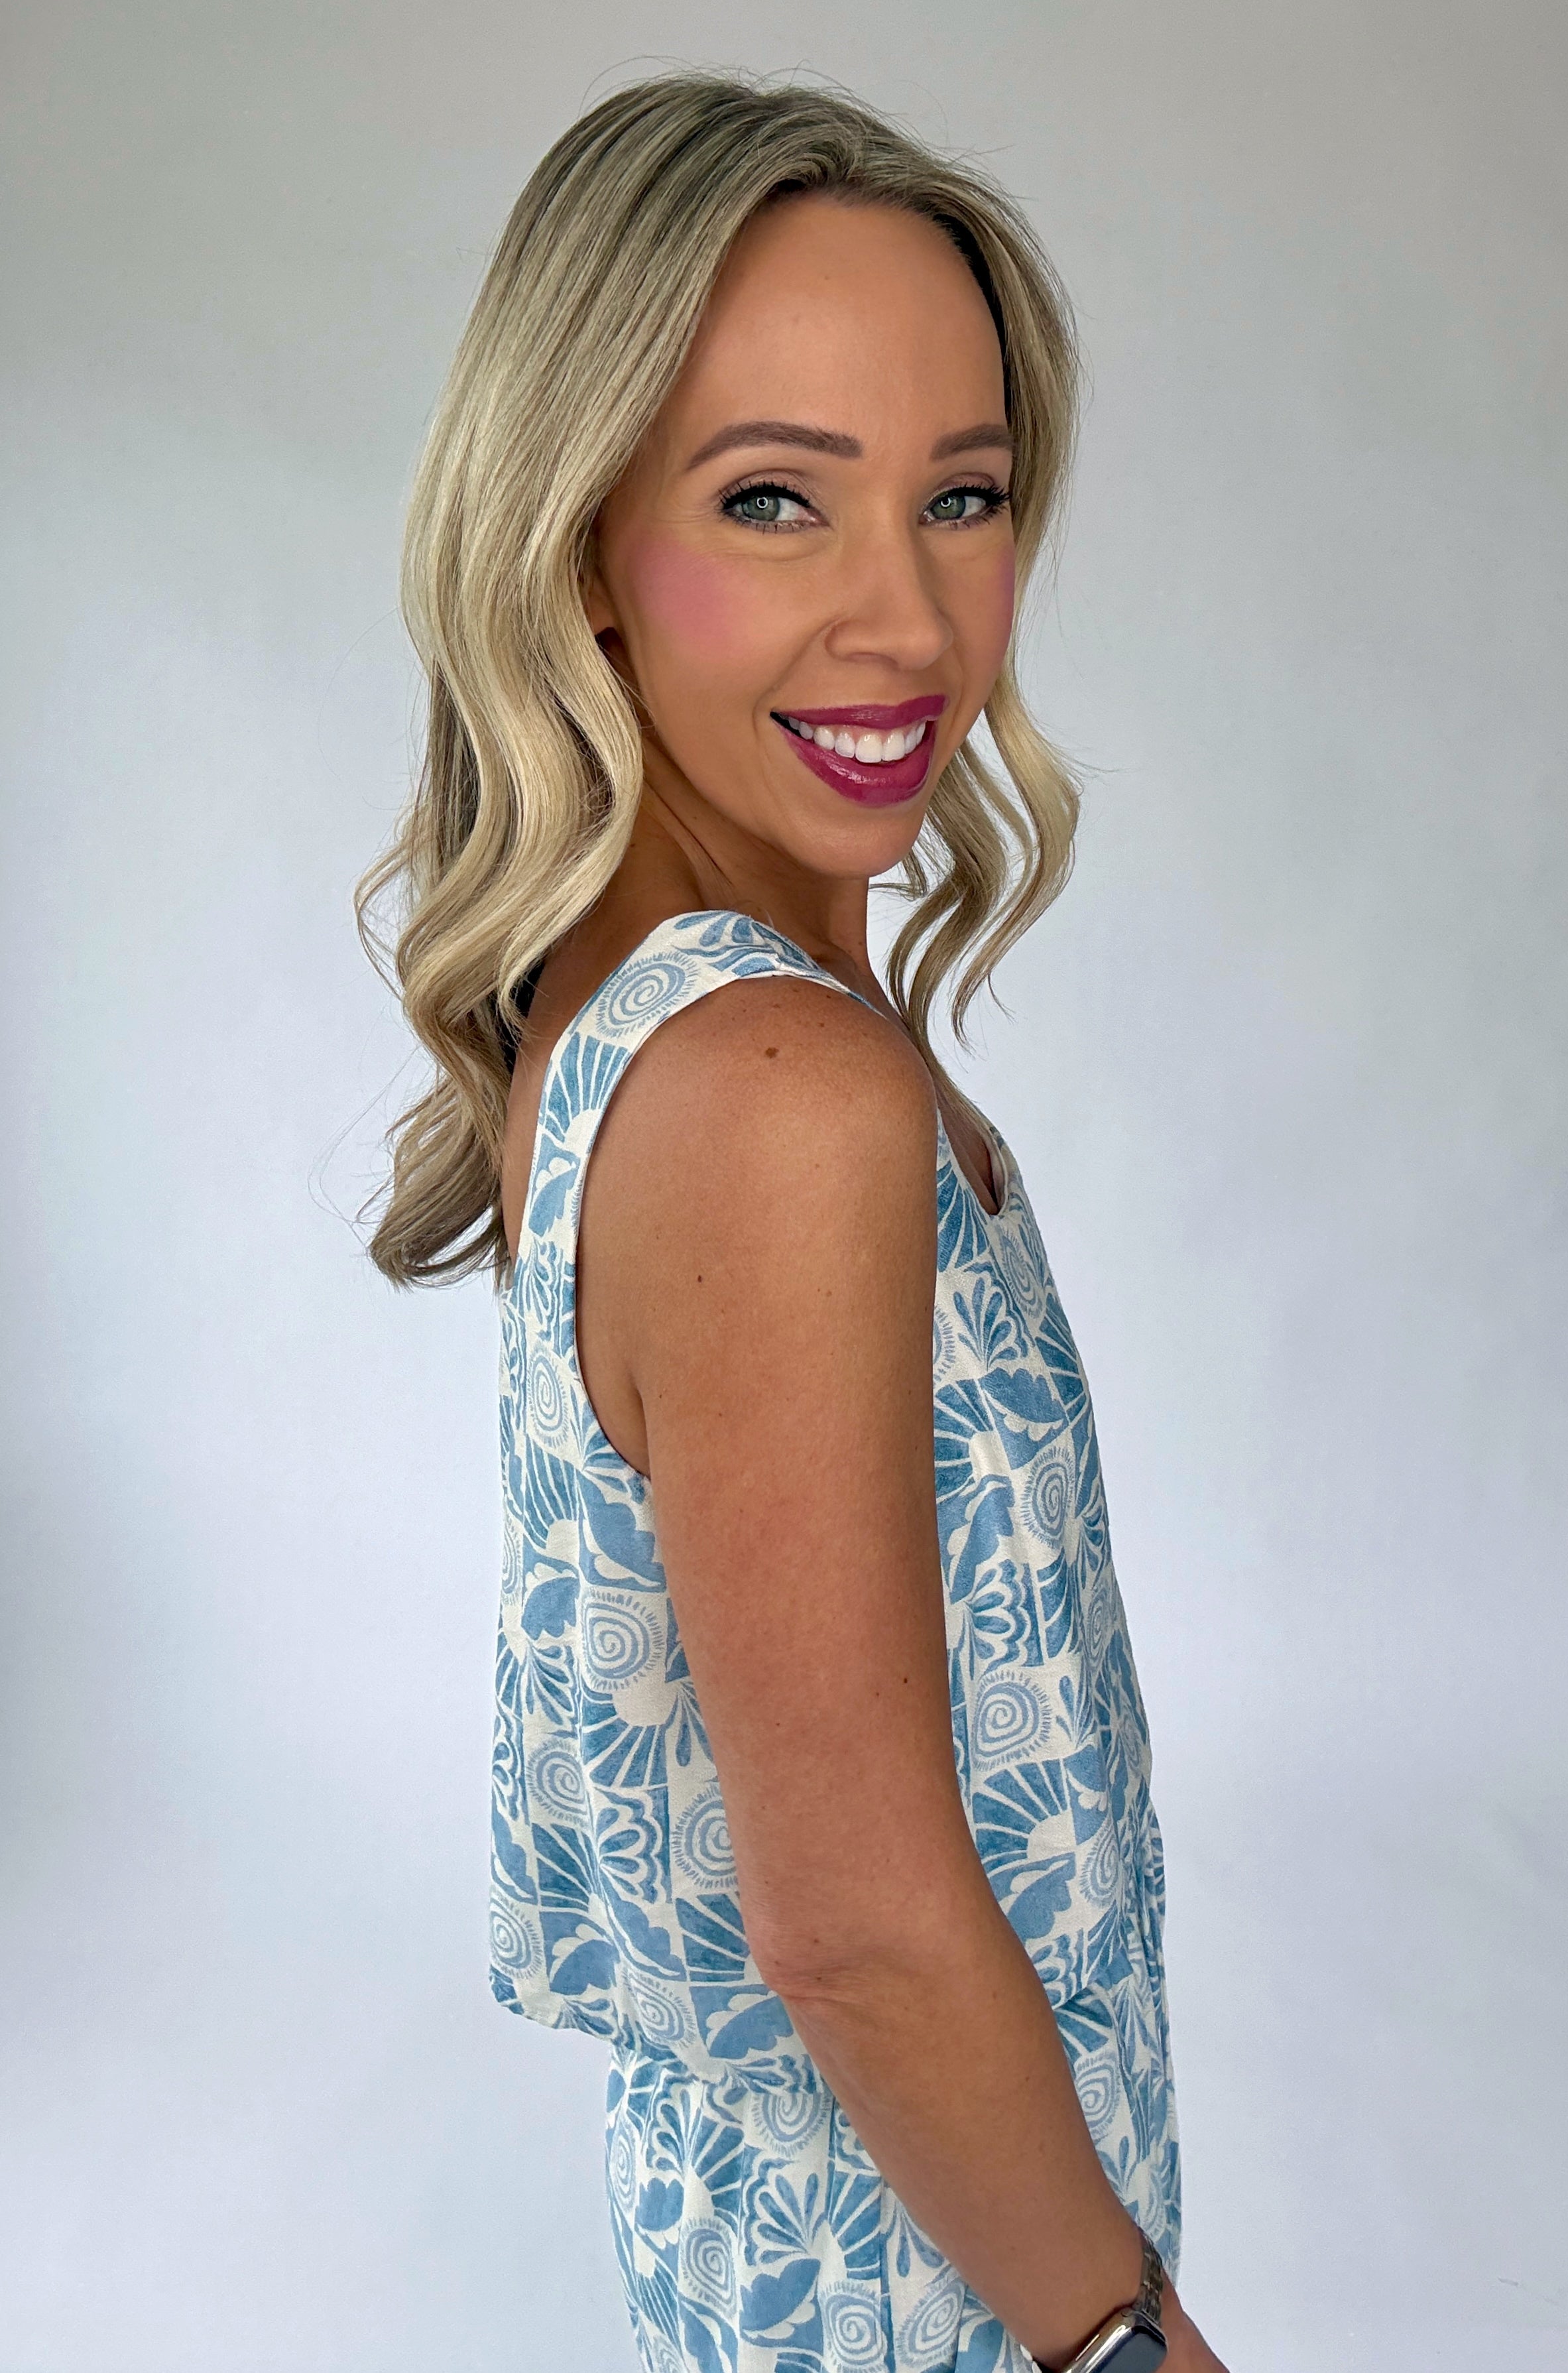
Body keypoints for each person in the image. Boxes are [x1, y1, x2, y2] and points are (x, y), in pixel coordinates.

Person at [359, 72, 1231, 2373]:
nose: (905, 615)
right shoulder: (775, 1093)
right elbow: (849, 1922)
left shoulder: (651, 1012)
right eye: (772, 499)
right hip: (914, 2292)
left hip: (813, 2236)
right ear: (577, 545)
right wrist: (1124, 2343)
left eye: (963, 495)